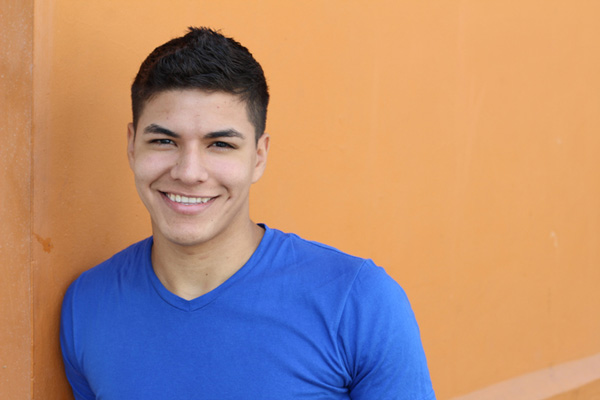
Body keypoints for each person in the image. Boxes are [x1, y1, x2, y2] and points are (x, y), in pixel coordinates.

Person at [60, 27, 436, 399]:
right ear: (131, 146)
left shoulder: (358, 302)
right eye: (164, 141)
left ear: (258, 157)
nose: (189, 172)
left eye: (220, 144)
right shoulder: (87, 306)